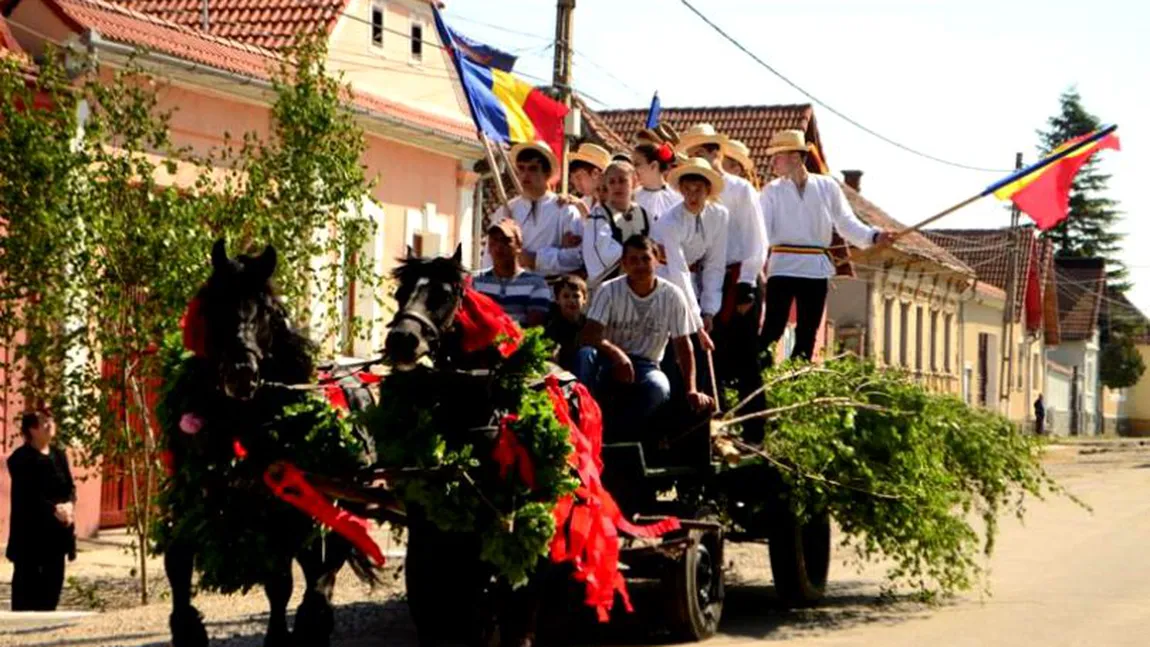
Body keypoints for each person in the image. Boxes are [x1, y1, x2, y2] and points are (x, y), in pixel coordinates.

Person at [759, 129, 895, 366]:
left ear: (795, 157)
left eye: (777, 156)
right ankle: (756, 375)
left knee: (807, 334)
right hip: (782, 267)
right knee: (772, 329)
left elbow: (846, 222)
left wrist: (874, 236)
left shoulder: (827, 187)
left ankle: (797, 380)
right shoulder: (771, 191)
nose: (772, 162)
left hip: (814, 268)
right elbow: (762, 233)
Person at [679, 123, 769, 437]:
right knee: (709, 355)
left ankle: (754, 433)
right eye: (692, 155)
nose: (699, 159)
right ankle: (712, 430)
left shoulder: (740, 189)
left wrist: (746, 285)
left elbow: (757, 242)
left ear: (717, 153)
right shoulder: (691, 192)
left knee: (745, 359)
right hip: (708, 279)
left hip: (740, 277)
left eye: (703, 152)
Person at [577, 235, 713, 431]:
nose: (640, 265)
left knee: (659, 387)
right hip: (606, 359)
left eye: (646, 259)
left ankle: (618, 433)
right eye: (633, 260)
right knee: (584, 356)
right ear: (624, 263)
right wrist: (617, 355)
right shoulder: (608, 290)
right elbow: (589, 335)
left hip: (646, 365)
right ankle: (583, 422)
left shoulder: (673, 295)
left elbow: (683, 345)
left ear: (657, 260)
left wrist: (691, 389)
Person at [6, 411, 76, 612]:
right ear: (32, 430)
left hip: (57, 534)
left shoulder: (59, 455)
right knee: (27, 592)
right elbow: (28, 494)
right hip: (31, 536)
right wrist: (54, 509)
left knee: (52, 586)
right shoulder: (20, 459)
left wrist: (70, 505)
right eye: (44, 422)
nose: (50, 424)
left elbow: (70, 487)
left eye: (51, 420)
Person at [482, 140, 583, 278]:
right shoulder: (505, 211)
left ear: (547, 174)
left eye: (533, 168)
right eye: (521, 168)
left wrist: (535, 259)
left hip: (550, 292)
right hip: (511, 290)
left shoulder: (565, 211)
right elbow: (489, 258)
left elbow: (576, 258)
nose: (525, 174)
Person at [582, 161, 653, 287]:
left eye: (622, 181)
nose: (617, 186)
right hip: (608, 289)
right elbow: (599, 256)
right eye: (612, 182)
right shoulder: (598, 215)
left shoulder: (644, 214)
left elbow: (656, 249)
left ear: (634, 182)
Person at [473, 220, 552, 327]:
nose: (499, 246)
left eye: (506, 241)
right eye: (494, 240)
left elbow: (534, 328)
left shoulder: (537, 285)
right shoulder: (475, 282)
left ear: (519, 246)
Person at [545, 274, 588, 372]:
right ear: (557, 299)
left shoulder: (587, 324)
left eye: (576, 296)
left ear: (585, 299)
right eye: (566, 296)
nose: (571, 300)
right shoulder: (553, 325)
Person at [632, 141, 682, 222]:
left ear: (653, 165)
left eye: (637, 164)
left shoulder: (677, 197)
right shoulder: (632, 197)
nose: (633, 169)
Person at [568, 143, 612, 211]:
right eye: (573, 179)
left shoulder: (614, 201)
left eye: (578, 177)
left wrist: (584, 212)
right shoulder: (585, 200)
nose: (576, 184)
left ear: (595, 173)